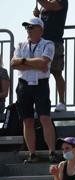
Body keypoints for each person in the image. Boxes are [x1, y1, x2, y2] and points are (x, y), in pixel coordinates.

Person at [10, 17, 57, 164]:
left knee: (45, 118)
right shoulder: (20, 44)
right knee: (27, 120)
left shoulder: (48, 44)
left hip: (41, 84)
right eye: (27, 28)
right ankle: (32, 154)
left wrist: (23, 61)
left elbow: (43, 64)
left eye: (31, 27)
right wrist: (33, 63)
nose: (28, 30)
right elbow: (13, 64)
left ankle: (52, 152)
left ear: (40, 30)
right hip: (23, 85)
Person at [34, 0, 67, 113]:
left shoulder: (61, 1)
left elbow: (50, 6)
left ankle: (61, 102)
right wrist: (37, 16)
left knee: (57, 73)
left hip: (55, 42)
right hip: (42, 43)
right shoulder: (45, 4)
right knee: (41, 74)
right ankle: (41, 102)